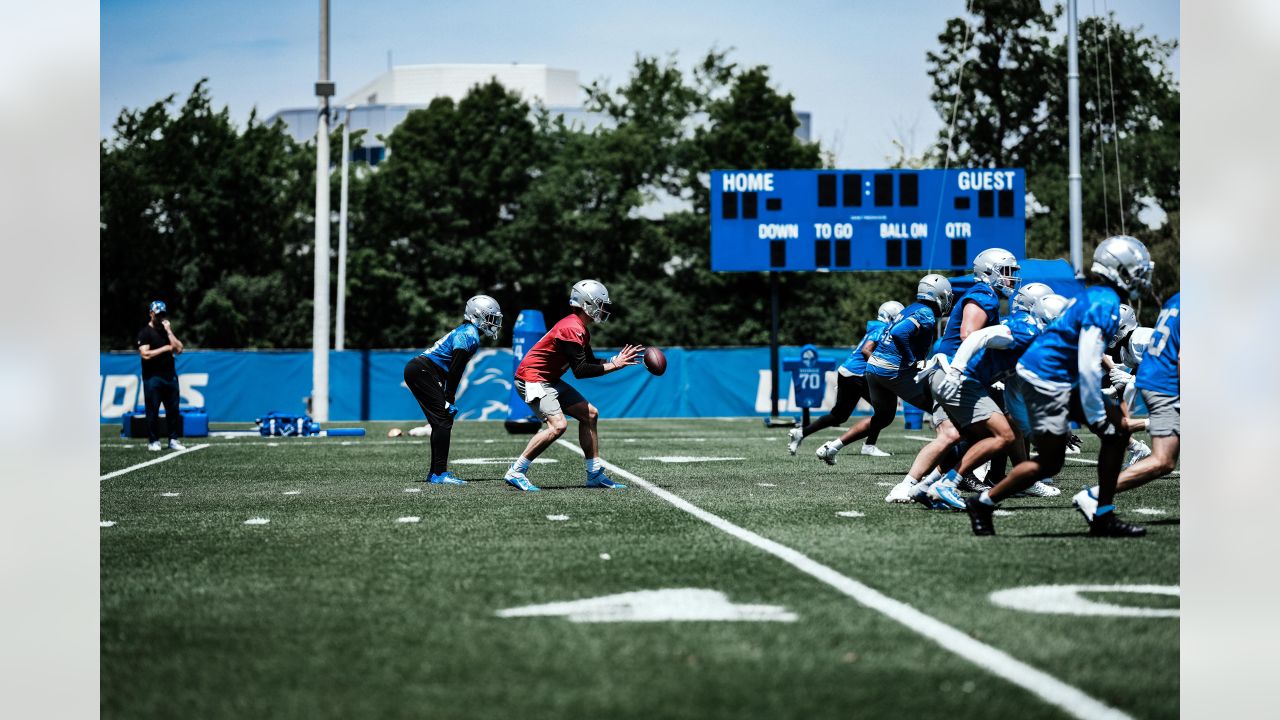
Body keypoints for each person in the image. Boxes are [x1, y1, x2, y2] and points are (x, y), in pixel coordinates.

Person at [965, 235, 1155, 537]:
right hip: (1048, 378)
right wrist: (1094, 413)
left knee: (1052, 462)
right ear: (1119, 269)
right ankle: (1101, 512)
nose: (1142, 275)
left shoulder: (1097, 297)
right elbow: (1087, 358)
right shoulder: (1103, 303)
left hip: (1046, 374)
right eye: (1136, 268)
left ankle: (984, 503)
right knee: (1111, 434)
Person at [887, 249, 1021, 508]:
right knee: (1001, 431)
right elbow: (968, 334)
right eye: (1007, 272)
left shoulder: (985, 296)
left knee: (951, 435)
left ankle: (913, 486)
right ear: (989, 271)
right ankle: (949, 482)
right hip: (955, 375)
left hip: (944, 373)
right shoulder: (984, 295)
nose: (1012, 278)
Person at [912, 290, 1070, 506]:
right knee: (1003, 436)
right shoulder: (1027, 329)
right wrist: (957, 371)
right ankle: (946, 485)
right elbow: (978, 336)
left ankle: (925, 486)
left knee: (984, 438)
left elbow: (1013, 390)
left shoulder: (1033, 341)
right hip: (960, 380)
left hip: (959, 381)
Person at [503, 280, 644, 492]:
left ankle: (594, 474)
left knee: (590, 414)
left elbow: (589, 362)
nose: (603, 308)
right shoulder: (571, 328)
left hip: (547, 378)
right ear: (586, 303)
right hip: (531, 379)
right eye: (599, 303)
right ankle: (516, 471)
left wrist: (615, 360)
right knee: (558, 425)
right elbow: (581, 371)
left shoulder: (580, 328)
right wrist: (615, 365)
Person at [815, 274, 953, 467]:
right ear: (936, 294)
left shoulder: (910, 309)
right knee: (943, 409)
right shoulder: (926, 313)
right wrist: (911, 359)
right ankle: (945, 467)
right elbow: (899, 333)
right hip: (891, 369)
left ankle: (832, 447)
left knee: (884, 416)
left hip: (874, 367)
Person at [1073, 292, 1179, 519]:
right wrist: (1116, 387)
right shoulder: (1125, 347)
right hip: (1174, 389)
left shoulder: (1140, 338)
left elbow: (1168, 365)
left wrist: (1131, 381)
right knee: (1165, 458)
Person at [403, 295, 503, 485]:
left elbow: (453, 369)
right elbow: (456, 370)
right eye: (491, 318)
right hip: (422, 371)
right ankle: (439, 474)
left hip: (422, 370)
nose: (494, 323)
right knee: (442, 419)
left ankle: (436, 473)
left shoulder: (467, 332)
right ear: (478, 316)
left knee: (442, 420)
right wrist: (450, 397)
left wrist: (449, 397)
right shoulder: (469, 334)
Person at [788, 300, 904, 457]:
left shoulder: (877, 327)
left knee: (839, 416)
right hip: (857, 374)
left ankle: (801, 433)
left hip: (848, 372)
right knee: (884, 411)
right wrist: (881, 366)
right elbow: (866, 350)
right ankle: (868, 446)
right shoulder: (883, 329)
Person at [136, 300, 185, 452]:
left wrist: (169, 331)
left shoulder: (166, 332)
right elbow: (145, 354)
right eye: (158, 315)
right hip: (153, 378)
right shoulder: (145, 333)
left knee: (173, 410)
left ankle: (173, 439)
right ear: (151, 313)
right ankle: (154, 440)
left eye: (162, 315)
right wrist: (164, 349)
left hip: (170, 377)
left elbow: (179, 349)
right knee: (153, 410)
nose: (160, 317)